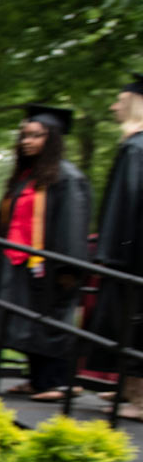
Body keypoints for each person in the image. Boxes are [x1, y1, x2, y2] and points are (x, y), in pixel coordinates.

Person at [0, 104, 92, 401]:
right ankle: (37, 380)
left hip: (51, 267)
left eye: (36, 136)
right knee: (27, 322)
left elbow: (72, 225)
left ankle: (59, 382)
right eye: (24, 135)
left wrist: (67, 268)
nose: (27, 141)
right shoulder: (28, 175)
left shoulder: (66, 177)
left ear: (53, 139)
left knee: (50, 321)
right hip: (20, 262)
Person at [90, 74, 143, 416]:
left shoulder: (138, 147)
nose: (113, 106)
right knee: (124, 319)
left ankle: (140, 398)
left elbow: (133, 202)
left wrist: (114, 249)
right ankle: (127, 388)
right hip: (130, 252)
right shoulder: (134, 145)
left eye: (119, 100)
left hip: (136, 254)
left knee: (136, 320)